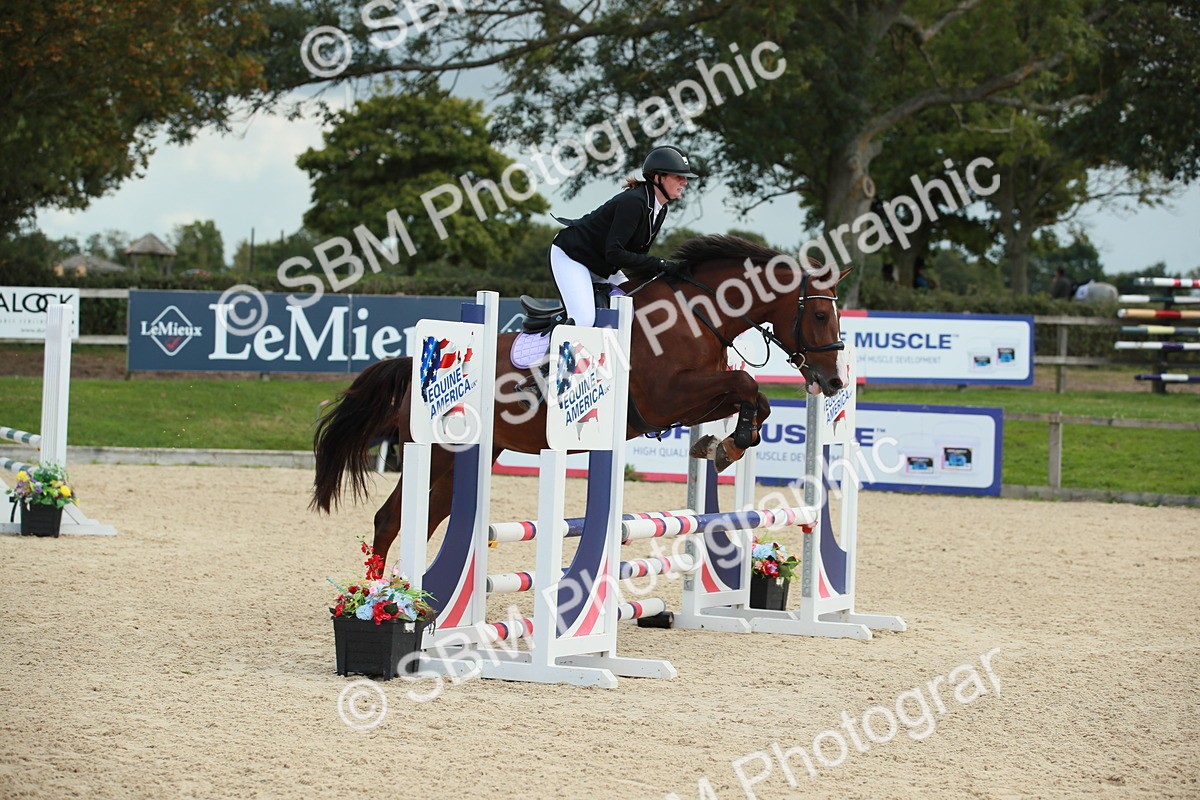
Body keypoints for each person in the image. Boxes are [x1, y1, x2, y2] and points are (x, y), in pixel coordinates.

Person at [549, 145, 698, 326]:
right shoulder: (634, 202)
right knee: (584, 320)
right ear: (658, 177)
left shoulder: (660, 208)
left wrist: (670, 273)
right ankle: (555, 349)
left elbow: (637, 257)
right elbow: (615, 253)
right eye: (678, 176)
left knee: (633, 310)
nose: (685, 182)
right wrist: (660, 264)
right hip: (572, 256)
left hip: (603, 265)